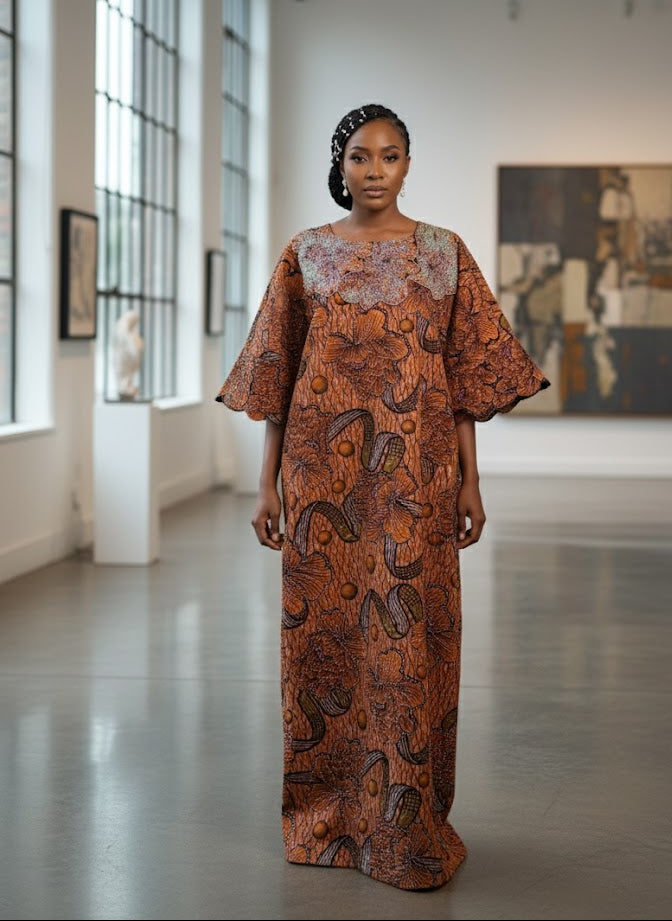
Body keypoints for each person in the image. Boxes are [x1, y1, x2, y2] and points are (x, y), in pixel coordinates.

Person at [215, 103, 550, 890]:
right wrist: (266, 482)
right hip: (323, 481)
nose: (374, 170)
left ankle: (406, 827)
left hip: (417, 481)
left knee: (411, 649)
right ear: (339, 166)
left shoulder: (444, 255)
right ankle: (327, 816)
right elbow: (278, 374)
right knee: (324, 641)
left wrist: (471, 477)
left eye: (389, 156)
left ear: (407, 165)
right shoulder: (306, 257)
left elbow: (468, 376)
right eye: (359, 156)